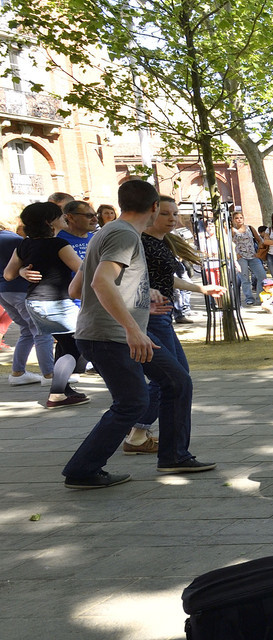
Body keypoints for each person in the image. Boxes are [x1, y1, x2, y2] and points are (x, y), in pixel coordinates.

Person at [61, 179, 221, 488]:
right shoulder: (125, 235)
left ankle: (174, 456)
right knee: (132, 403)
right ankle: (82, 470)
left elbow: (75, 287)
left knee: (176, 381)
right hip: (111, 337)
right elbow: (100, 283)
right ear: (154, 208)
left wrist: (142, 298)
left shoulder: (105, 232)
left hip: (110, 333)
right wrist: (132, 328)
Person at [121, 196, 211, 455]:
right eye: (165, 214)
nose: (172, 218)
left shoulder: (160, 243)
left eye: (175, 213)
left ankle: (138, 432)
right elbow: (121, 278)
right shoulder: (139, 243)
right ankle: (137, 433)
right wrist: (147, 292)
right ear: (151, 214)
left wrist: (200, 288)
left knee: (176, 375)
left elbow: (166, 280)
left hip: (162, 315)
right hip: (150, 316)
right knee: (172, 377)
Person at [4, 201, 86, 407]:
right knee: (77, 348)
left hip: (35, 303)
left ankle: (62, 389)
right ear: (50, 222)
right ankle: (58, 392)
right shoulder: (59, 245)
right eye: (61, 216)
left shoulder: (25, 244)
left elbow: (8, 274)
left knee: (67, 345)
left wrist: (22, 272)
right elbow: (83, 269)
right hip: (56, 303)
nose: (65, 218)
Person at [0, 219, 44, 387]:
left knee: (27, 330)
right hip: (19, 289)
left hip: (4, 292)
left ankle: (18, 372)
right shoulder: (14, 240)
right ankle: (50, 374)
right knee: (40, 330)